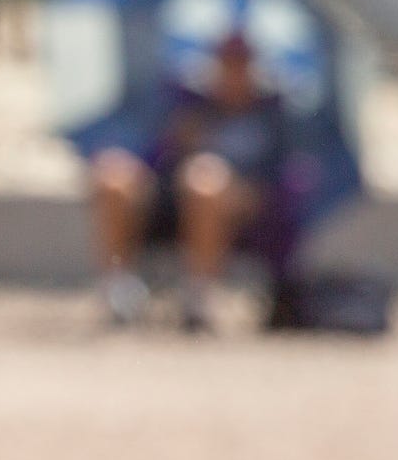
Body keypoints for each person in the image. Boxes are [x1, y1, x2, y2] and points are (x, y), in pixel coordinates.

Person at [88, 31, 290, 333]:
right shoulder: (189, 106)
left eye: (240, 63)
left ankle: (199, 295)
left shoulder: (271, 117)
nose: (232, 71)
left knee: (204, 181)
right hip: (172, 200)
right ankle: (119, 287)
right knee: (113, 174)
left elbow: (284, 179)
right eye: (226, 62)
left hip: (236, 209)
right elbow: (152, 162)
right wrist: (177, 138)